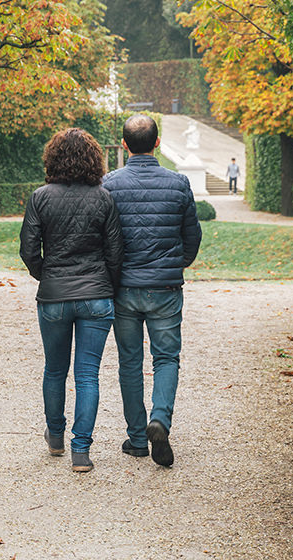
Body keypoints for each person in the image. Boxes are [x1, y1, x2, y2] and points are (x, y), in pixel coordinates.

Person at [20, 128, 124, 473]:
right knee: (87, 375)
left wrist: (46, 276)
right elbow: (115, 253)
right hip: (96, 296)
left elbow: (29, 251)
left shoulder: (40, 197)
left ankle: (56, 436)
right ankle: (82, 450)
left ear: (52, 158)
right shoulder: (104, 197)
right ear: (94, 159)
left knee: (54, 369)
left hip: (54, 296)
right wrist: (103, 283)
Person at [102, 115, 202, 467]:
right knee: (166, 358)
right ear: (157, 143)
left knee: (129, 361)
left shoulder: (109, 184)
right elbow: (192, 237)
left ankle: (135, 438)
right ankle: (159, 419)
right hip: (165, 286)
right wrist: (178, 263)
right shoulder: (179, 183)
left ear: (125, 144)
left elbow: (103, 239)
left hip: (125, 288)